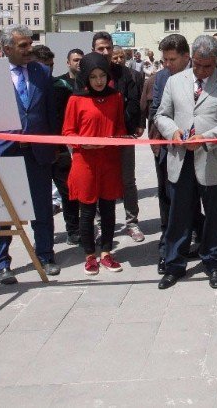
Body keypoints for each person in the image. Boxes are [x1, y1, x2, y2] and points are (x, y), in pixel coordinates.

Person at [154, 35, 217, 290]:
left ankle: (212, 261)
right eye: (198, 64)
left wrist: (205, 138)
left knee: (215, 216)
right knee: (179, 215)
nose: (203, 71)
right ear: (191, 57)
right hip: (180, 159)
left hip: (213, 158)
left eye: (208, 66)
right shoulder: (174, 81)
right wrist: (172, 132)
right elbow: (162, 114)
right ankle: (174, 265)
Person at [0, 25, 60, 283]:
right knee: (3, 209)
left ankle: (45, 256)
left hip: (37, 153)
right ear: (6, 48)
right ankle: (2, 263)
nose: (29, 49)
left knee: (42, 207)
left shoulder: (42, 72)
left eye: (29, 43)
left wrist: (53, 146)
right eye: (22, 46)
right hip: (4, 153)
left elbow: (50, 112)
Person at [63, 52, 127, 275]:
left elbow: (120, 127)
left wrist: (116, 138)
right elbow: (68, 132)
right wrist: (83, 144)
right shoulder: (76, 99)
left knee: (109, 209)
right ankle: (90, 255)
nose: (99, 81)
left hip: (109, 160)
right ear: (86, 78)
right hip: (85, 162)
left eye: (102, 76)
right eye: (93, 77)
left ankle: (107, 252)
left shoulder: (115, 97)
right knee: (88, 210)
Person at [92, 32, 145, 243]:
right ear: (93, 49)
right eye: (101, 48)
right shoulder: (87, 74)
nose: (106, 52)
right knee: (97, 181)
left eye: (108, 48)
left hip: (123, 135)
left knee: (128, 181)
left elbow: (134, 102)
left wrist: (138, 124)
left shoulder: (126, 74)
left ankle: (132, 222)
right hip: (96, 139)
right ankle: (98, 223)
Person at [148, 34, 194, 272]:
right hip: (170, 149)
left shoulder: (203, 72)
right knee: (169, 200)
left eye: (172, 59)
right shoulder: (162, 77)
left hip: (200, 149)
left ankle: (199, 240)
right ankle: (167, 249)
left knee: (196, 200)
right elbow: (156, 111)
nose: (166, 64)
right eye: (164, 59)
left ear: (186, 57)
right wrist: (170, 134)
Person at [34, 46, 82, 246]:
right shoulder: (28, 90)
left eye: (50, 66)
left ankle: (73, 230)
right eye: (43, 66)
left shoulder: (61, 86)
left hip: (61, 149)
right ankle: (43, 239)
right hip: (36, 150)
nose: (48, 70)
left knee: (69, 192)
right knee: (40, 197)